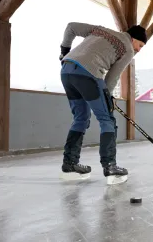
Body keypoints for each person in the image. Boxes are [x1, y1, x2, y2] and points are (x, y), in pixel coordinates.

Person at [58, 22, 147, 180]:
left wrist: (65, 50)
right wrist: (108, 97)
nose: (139, 50)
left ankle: (70, 163)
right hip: (88, 74)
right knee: (107, 119)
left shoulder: (100, 30)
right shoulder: (127, 50)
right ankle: (110, 166)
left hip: (66, 70)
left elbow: (71, 27)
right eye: (140, 45)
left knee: (81, 118)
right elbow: (111, 78)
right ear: (133, 39)